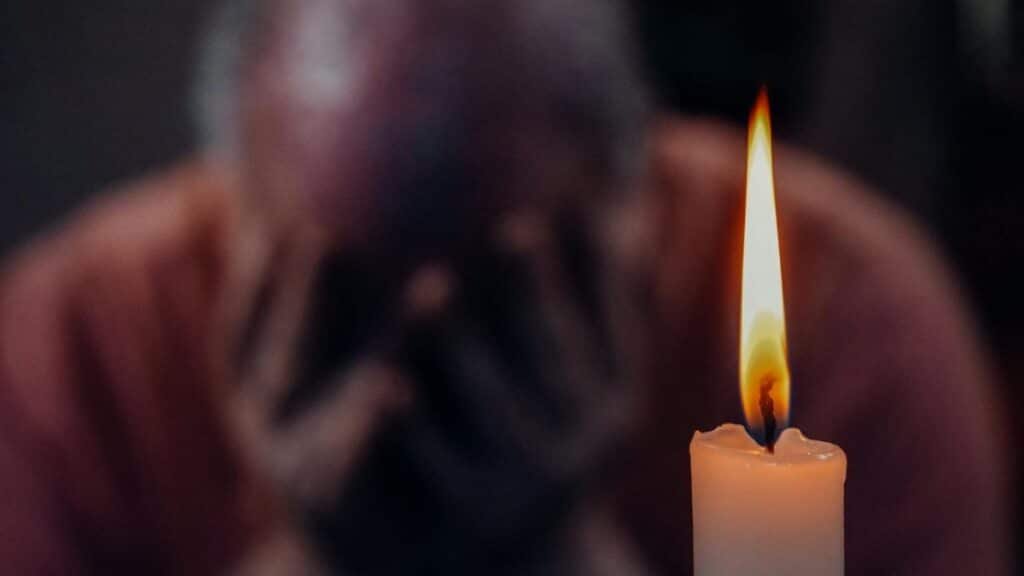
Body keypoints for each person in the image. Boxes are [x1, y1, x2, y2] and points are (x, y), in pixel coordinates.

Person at [0, 0, 1008, 574]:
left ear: (634, 199)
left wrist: (562, 543)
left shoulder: (845, 312)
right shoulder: (69, 355)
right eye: (348, 295)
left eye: (505, 291)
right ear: (232, 199)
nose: (419, 381)